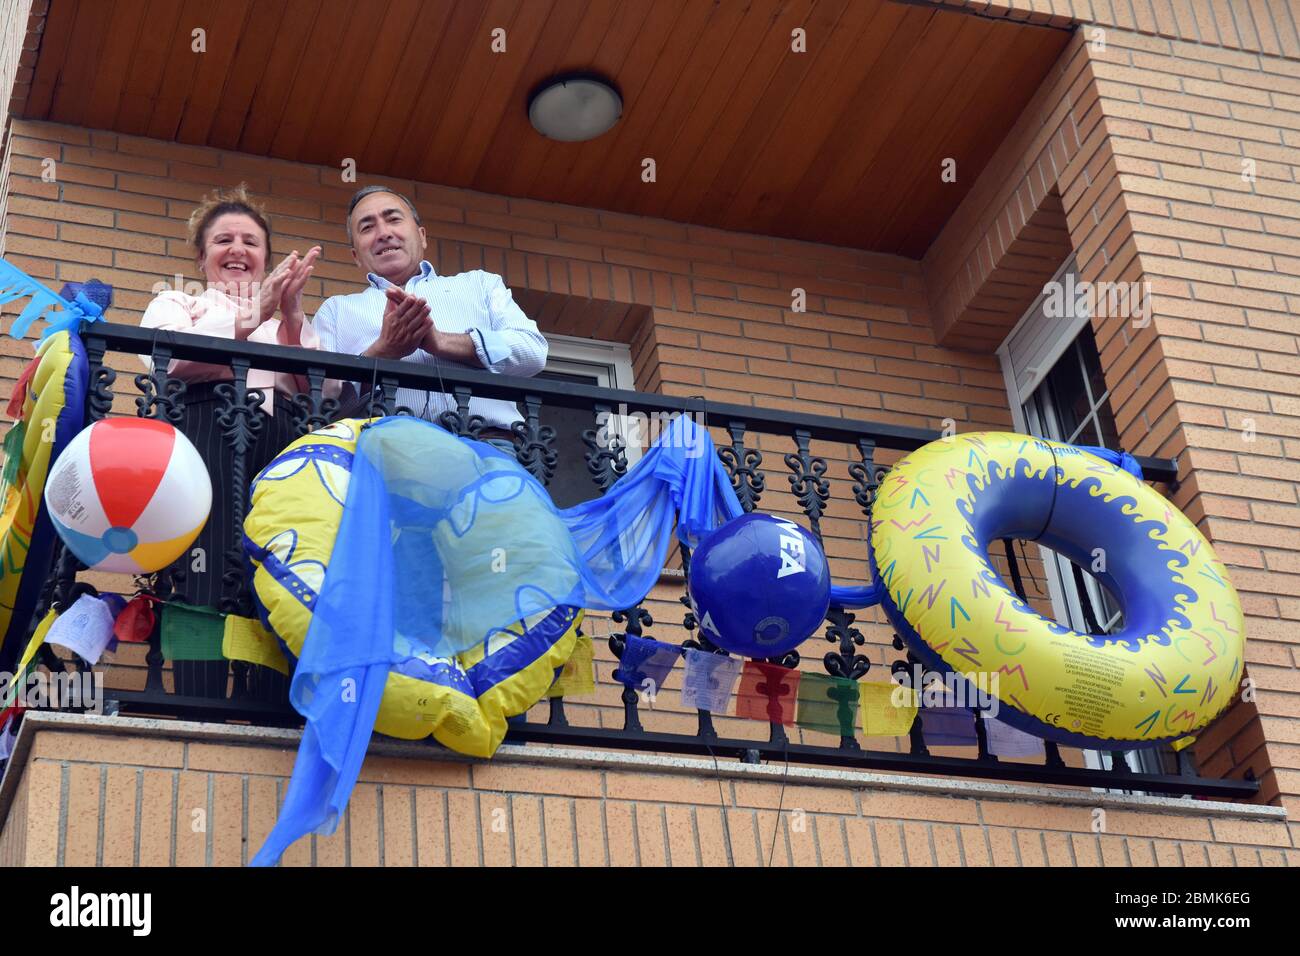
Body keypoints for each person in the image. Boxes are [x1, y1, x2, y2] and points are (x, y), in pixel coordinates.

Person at [139, 184, 329, 695]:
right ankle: (198, 700)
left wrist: (289, 316)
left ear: (267, 257)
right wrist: (252, 316)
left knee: (277, 570)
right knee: (202, 567)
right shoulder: (177, 302)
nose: (238, 250)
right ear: (202, 257)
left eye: (251, 241)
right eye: (223, 240)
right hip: (206, 437)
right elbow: (167, 362)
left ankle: (268, 702)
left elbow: (323, 394)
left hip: (283, 445)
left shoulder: (293, 321)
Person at [313, 185, 547, 453]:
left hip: (489, 449)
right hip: (385, 456)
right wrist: (382, 353)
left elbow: (533, 351)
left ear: (422, 236)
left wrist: (441, 342)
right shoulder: (336, 310)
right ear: (355, 255)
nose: (384, 233)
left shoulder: (480, 284)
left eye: (393, 219)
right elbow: (321, 405)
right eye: (367, 227)